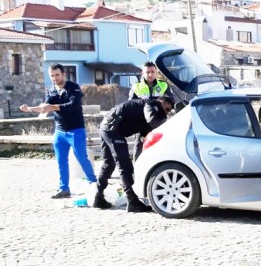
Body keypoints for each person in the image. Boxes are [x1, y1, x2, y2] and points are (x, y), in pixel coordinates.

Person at [19, 64, 97, 199]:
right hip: (60, 132)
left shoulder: (73, 87)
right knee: (61, 161)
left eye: (57, 75)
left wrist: (52, 107)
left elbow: (73, 105)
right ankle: (64, 188)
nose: (55, 78)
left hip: (76, 130)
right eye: (52, 76)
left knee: (82, 158)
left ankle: (95, 185)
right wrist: (31, 109)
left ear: (63, 74)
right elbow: (45, 107)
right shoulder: (51, 91)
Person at [94, 96, 174, 213]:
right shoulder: (151, 105)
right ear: (162, 102)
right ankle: (132, 201)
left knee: (109, 163)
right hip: (113, 130)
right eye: (167, 109)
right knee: (125, 165)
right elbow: (152, 120)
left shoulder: (148, 110)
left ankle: (98, 197)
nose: (166, 113)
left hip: (107, 127)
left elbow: (145, 133)